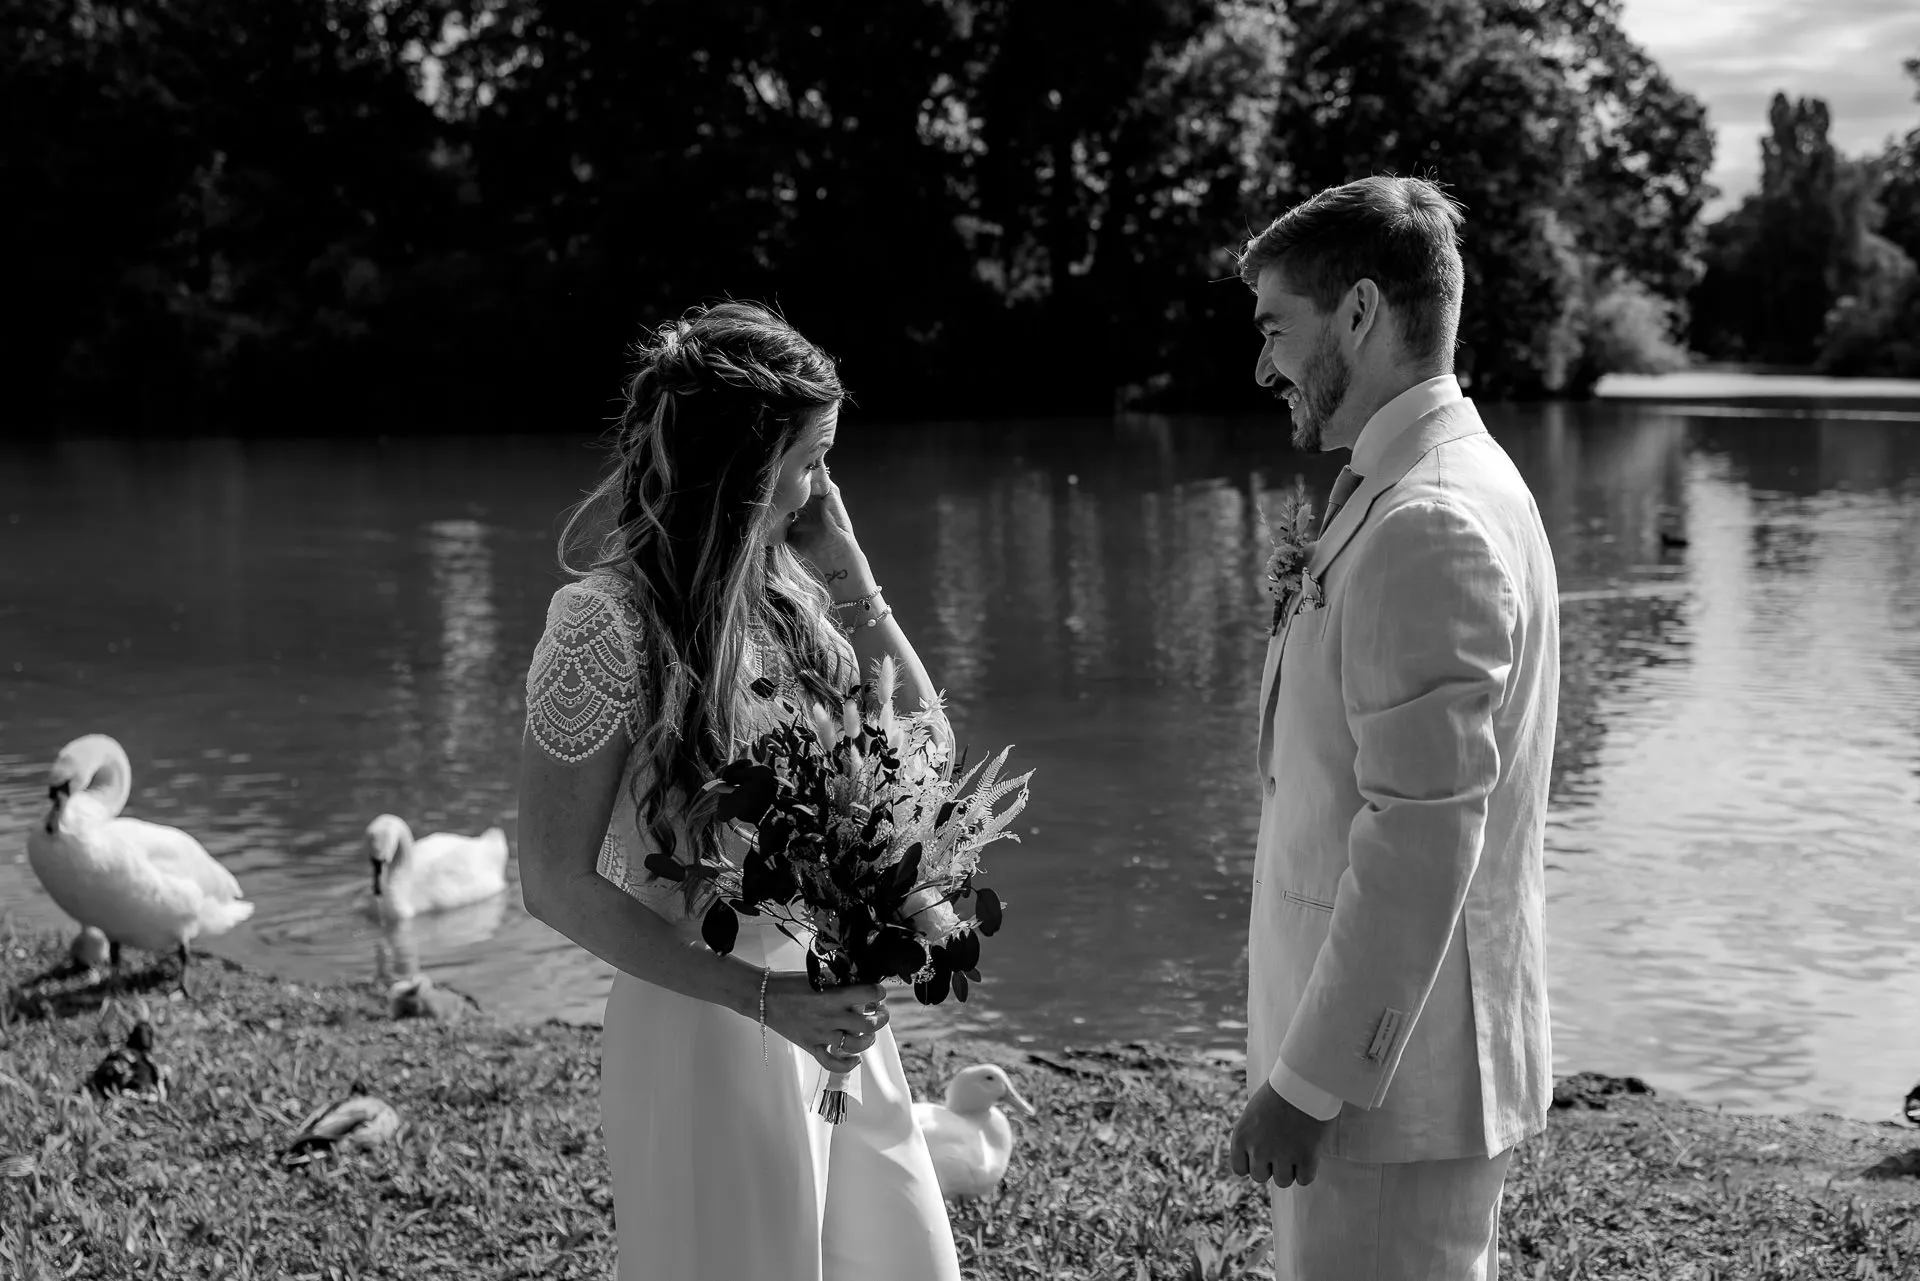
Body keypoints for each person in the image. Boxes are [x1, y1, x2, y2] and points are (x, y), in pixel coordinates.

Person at [516, 301, 961, 1281]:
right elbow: (551, 880)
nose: (822, 488)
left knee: (904, 1262)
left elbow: (923, 755)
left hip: (833, 1017)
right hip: (710, 1026)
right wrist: (763, 997)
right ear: (746, 468)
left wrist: (853, 573)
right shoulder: (604, 627)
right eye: (812, 460)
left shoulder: (790, 598)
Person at [1227, 176, 1560, 1279]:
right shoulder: (1422, 481)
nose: (1264, 364)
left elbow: (1421, 836)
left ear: (1360, 314)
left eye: (1278, 327)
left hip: (1386, 1095)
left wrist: (1311, 1082)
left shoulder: (1431, 520)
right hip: (1384, 1086)